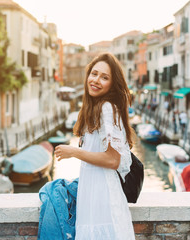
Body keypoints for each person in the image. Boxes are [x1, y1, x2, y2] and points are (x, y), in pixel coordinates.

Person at [54, 53, 135, 240]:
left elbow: (113, 160)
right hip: (93, 193)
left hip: (103, 196)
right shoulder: (95, 108)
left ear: (112, 84)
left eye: (104, 77)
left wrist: (74, 151)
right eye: (94, 73)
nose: (96, 80)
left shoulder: (107, 108)